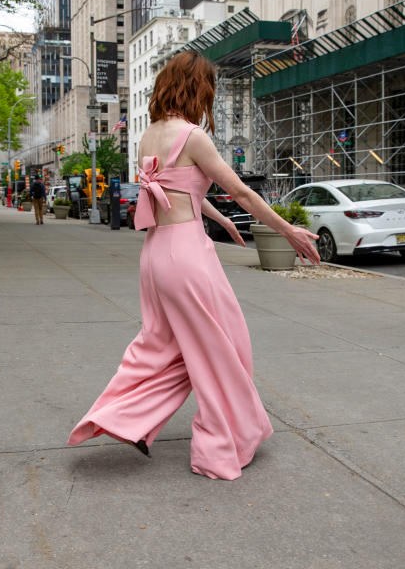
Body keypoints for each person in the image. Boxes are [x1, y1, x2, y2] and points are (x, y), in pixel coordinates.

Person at [67, 51, 319, 480]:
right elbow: (240, 192)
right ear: (197, 88)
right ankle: (219, 446)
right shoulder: (192, 136)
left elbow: (182, 192)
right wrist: (289, 231)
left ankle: (121, 419)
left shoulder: (150, 136)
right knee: (221, 349)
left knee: (165, 349)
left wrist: (220, 222)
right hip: (185, 255)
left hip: (155, 255)